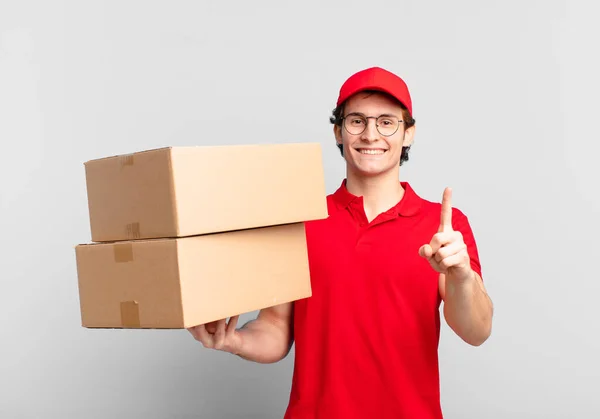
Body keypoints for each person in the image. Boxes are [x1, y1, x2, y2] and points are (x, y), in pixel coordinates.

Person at [187, 67, 494, 418]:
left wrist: (461, 276)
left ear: (408, 134)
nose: (371, 134)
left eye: (387, 122)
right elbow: (274, 327)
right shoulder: (303, 222)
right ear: (338, 131)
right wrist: (234, 340)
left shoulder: (445, 229)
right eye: (357, 121)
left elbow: (477, 331)